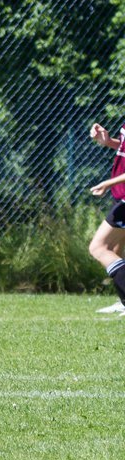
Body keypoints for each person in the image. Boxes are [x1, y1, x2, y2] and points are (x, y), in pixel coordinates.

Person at [87, 121, 125, 315]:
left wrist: (108, 183)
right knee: (118, 249)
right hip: (121, 194)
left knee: (99, 248)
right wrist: (109, 141)